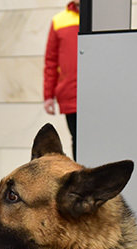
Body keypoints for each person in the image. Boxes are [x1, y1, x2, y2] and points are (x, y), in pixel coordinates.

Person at [43, 1, 80, 160]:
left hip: (98, 91)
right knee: (77, 139)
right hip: (70, 94)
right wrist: (48, 96)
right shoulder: (59, 20)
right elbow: (51, 61)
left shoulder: (101, 18)